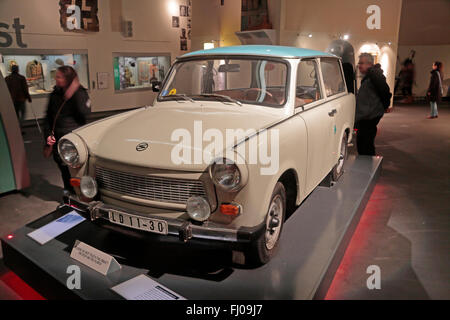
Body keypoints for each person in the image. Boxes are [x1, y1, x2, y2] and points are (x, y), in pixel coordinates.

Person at [44, 66, 91, 194]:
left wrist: (74, 94)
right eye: (56, 76)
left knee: (75, 169)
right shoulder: (55, 93)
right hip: (57, 137)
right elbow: (48, 116)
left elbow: (85, 112)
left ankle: (79, 194)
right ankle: (68, 192)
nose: (56, 79)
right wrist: (48, 135)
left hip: (72, 138)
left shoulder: (79, 92)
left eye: (59, 77)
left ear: (68, 78)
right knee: (63, 168)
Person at [355, 53, 392, 156]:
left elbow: (386, 92)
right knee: (364, 144)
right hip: (367, 117)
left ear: (370, 64)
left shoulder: (374, 75)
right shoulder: (370, 76)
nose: (359, 65)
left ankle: (366, 168)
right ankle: (366, 167)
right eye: (359, 63)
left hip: (369, 118)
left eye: (362, 63)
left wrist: (383, 107)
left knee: (365, 146)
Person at [5, 65, 32, 129]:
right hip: (21, 99)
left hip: (12, 100)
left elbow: (6, 89)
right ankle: (19, 127)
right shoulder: (21, 78)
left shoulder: (7, 78)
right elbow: (25, 89)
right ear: (18, 70)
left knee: (16, 115)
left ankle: (17, 128)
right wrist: (29, 98)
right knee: (23, 114)